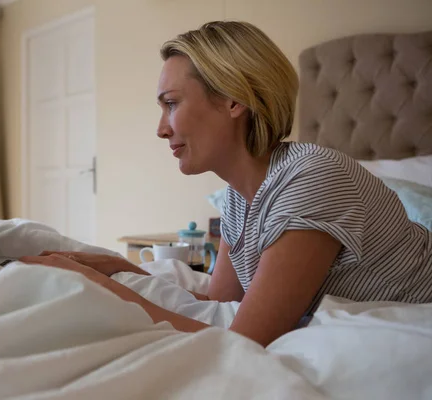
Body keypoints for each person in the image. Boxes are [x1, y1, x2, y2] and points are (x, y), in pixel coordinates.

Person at [21, 21, 432, 347]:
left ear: (234, 99)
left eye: (172, 103)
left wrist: (99, 291)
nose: (162, 129)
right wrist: (121, 270)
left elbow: (245, 342)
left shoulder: (312, 177)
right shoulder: (240, 199)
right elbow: (219, 305)